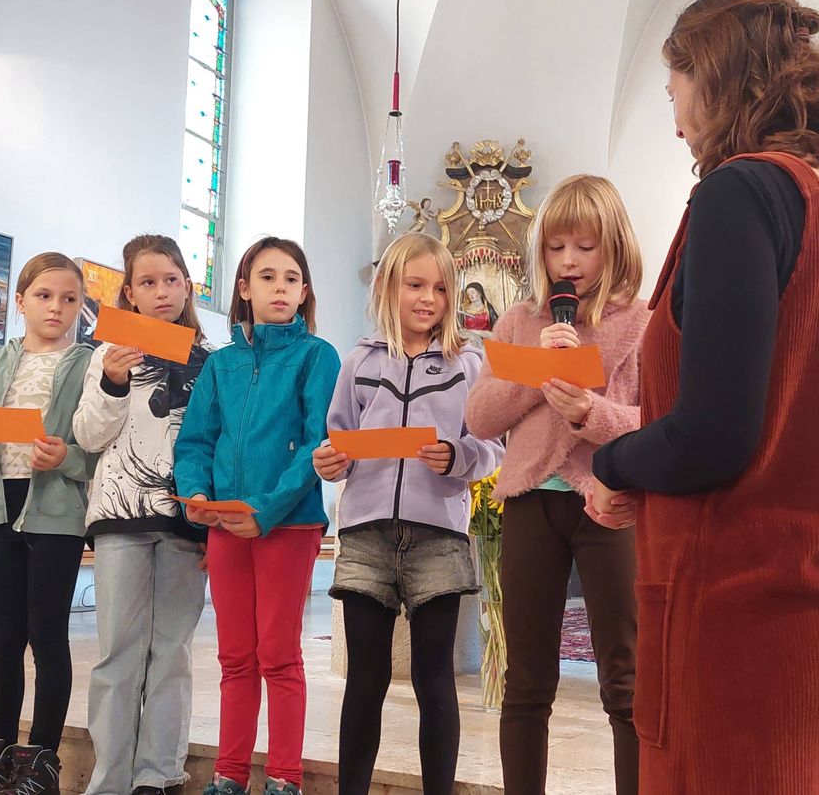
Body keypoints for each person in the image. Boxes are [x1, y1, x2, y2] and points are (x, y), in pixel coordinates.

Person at [588, 0, 819, 795]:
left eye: (675, 86)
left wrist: (613, 464)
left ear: (715, 73)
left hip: (728, 612)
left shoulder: (740, 192)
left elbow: (713, 436)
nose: (674, 114)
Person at [467, 175, 649, 795]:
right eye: (556, 247)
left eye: (585, 247)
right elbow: (480, 417)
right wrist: (536, 370)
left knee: (625, 680)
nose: (568, 262)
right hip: (529, 507)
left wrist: (588, 415)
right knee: (527, 680)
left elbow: (658, 422)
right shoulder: (521, 319)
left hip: (608, 505)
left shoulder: (646, 323)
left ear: (615, 247)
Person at [313, 233, 504, 795]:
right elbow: (339, 439)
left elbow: (491, 445)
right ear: (387, 288)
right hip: (367, 535)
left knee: (434, 679)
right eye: (415, 285)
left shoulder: (469, 365)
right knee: (365, 681)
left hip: (438, 534)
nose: (428, 299)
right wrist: (332, 462)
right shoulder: (359, 360)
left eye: (441, 288)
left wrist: (458, 457)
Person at [174, 237, 341, 795]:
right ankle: (228, 774)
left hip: (287, 524)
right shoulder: (222, 364)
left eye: (292, 279)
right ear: (244, 288)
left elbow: (318, 443)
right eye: (267, 277)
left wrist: (265, 511)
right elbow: (196, 441)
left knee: (279, 654)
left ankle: (286, 778)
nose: (280, 288)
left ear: (304, 291)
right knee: (235, 657)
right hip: (224, 525)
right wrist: (197, 492)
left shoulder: (318, 356)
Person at [74, 235, 212, 795]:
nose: (161, 292)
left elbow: (213, 441)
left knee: (171, 651)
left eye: (171, 280)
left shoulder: (211, 361)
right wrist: (113, 380)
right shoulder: (105, 354)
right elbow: (88, 434)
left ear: (187, 287)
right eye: (147, 283)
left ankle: (159, 775)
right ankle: (108, 781)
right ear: (128, 293)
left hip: (184, 519)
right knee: (117, 653)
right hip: (119, 519)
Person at [0, 253, 95, 795]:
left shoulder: (89, 364)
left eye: (70, 299)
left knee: (47, 636)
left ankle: (42, 756)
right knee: (4, 636)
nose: (57, 307)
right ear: (20, 300)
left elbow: (98, 448)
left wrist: (64, 458)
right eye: (45, 296)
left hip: (54, 509)